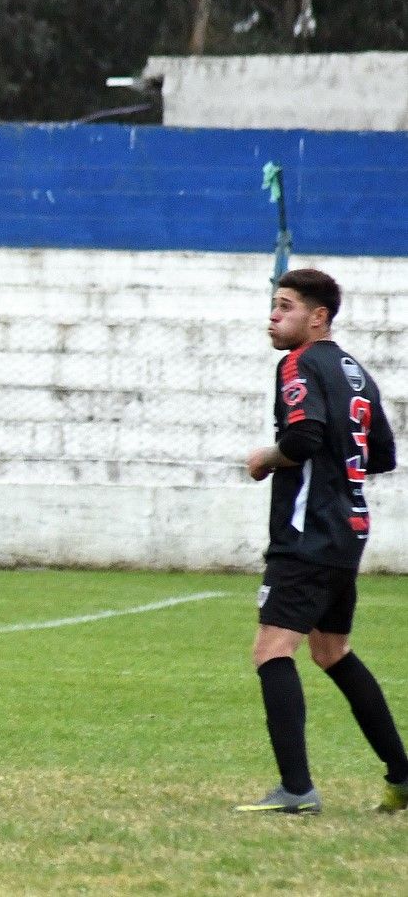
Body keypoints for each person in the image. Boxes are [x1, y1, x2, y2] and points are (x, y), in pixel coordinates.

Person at [236, 268, 408, 815]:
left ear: (318, 317)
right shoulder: (355, 372)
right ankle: (404, 777)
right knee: (332, 651)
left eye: (285, 306)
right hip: (347, 531)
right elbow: (382, 454)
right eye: (273, 305)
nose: (273, 316)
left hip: (306, 535)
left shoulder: (298, 363)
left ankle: (296, 790)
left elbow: (304, 436)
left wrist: (267, 458)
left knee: (272, 650)